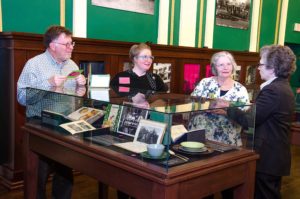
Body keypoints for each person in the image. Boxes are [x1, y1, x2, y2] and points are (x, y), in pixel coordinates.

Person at [17, 25, 86, 199]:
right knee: (39, 176)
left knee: (65, 175)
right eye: (67, 44)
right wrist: (47, 83)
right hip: (40, 124)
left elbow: (77, 98)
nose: (72, 47)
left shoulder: (72, 64)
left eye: (72, 43)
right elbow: (21, 97)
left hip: (65, 125)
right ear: (53, 45)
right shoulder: (34, 64)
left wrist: (81, 86)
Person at [110, 43, 167, 199]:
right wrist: (132, 98)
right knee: (125, 168)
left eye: (150, 56)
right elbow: (115, 98)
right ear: (134, 58)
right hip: (127, 127)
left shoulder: (155, 79)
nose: (148, 60)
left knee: (145, 166)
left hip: (149, 128)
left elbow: (164, 99)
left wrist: (153, 103)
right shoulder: (122, 77)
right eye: (144, 56)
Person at [253, 45, 296, 199]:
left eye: (261, 64)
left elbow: (252, 119)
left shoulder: (273, 90)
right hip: (275, 156)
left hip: (268, 157)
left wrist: (228, 108)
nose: (258, 68)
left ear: (272, 68)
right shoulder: (282, 86)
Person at [190, 51, 249, 146]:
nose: (225, 68)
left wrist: (227, 112)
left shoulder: (241, 89)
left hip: (227, 139)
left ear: (233, 66)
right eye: (221, 65)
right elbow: (192, 104)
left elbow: (245, 117)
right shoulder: (205, 83)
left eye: (228, 64)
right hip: (199, 135)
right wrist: (208, 106)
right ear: (215, 67)